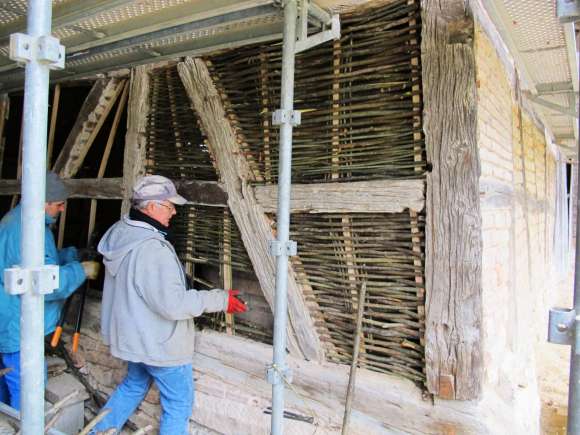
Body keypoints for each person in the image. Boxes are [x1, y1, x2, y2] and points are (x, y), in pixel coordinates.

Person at [94, 175, 247, 435]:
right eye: (169, 205)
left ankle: (96, 432)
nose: (174, 212)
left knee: (132, 386)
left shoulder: (121, 233)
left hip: (134, 341)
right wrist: (221, 299)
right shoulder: (153, 249)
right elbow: (173, 305)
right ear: (152, 207)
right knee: (178, 405)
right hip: (159, 345)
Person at [0, 171, 98, 410]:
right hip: (19, 325)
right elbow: (44, 282)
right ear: (42, 203)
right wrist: (80, 271)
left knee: (6, 387)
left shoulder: (17, 219)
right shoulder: (27, 230)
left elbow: (36, 263)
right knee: (28, 395)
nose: (62, 209)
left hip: (9, 317)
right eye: (58, 205)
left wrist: (72, 255)